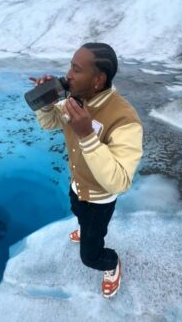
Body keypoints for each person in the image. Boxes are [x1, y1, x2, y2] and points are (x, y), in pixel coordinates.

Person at [32, 42, 143, 298]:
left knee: (90, 256)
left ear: (98, 79)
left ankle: (112, 263)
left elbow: (120, 181)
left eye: (76, 69)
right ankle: (84, 226)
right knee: (77, 209)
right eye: (70, 66)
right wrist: (46, 104)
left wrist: (87, 136)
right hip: (77, 186)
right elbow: (50, 124)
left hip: (100, 200)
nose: (68, 74)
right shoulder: (74, 100)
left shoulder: (125, 120)